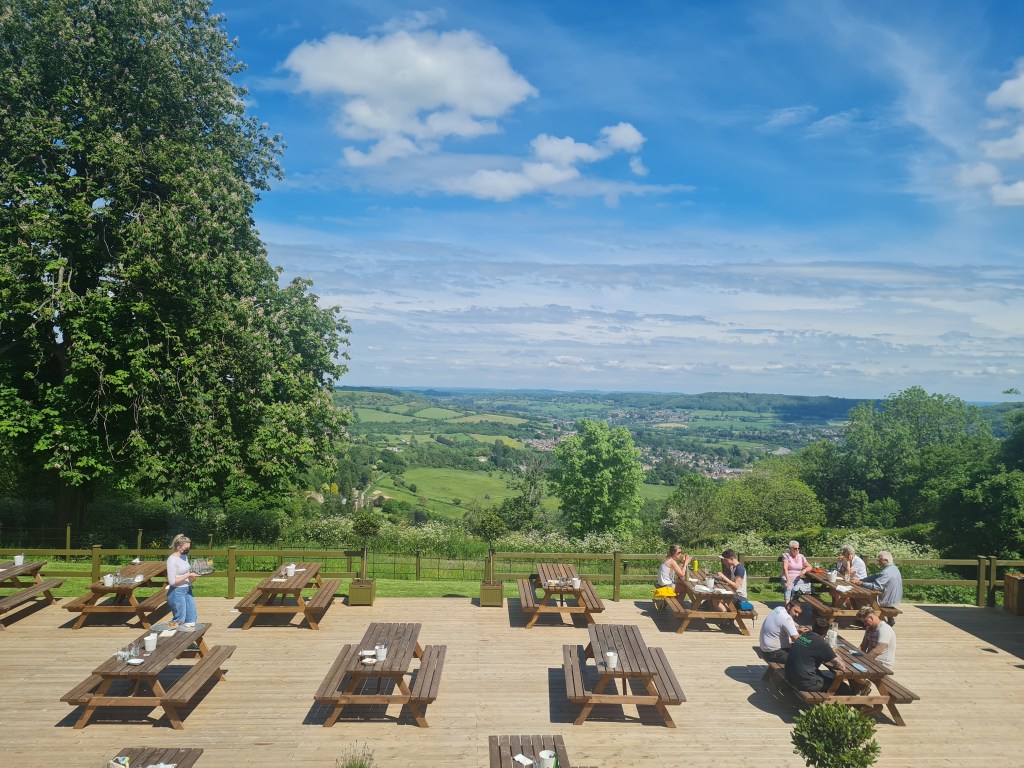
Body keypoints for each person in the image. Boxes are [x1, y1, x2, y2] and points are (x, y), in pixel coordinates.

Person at [784, 613, 850, 693]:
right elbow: (841, 667)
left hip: (789, 676)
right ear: (826, 633)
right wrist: (839, 658)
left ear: (813, 627)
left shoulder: (803, 636)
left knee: (823, 676)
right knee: (843, 687)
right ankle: (860, 704)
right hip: (803, 683)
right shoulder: (821, 643)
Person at [854, 551, 903, 624]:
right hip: (895, 599)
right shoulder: (893, 568)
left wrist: (862, 583)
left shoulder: (886, 572)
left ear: (886, 561)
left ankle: (863, 619)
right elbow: (876, 576)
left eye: (879, 560)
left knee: (858, 597)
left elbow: (877, 586)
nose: (878, 561)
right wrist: (861, 580)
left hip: (886, 601)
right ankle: (889, 617)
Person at [166, 533, 198, 630]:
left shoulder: (184, 557)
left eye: (189, 548)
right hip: (177, 592)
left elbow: (185, 571)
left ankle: (188, 641)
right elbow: (172, 581)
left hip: (187, 590)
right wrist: (188, 575)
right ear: (178, 547)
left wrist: (192, 576)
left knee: (191, 618)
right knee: (179, 619)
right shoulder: (172, 560)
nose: (187, 550)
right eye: (186, 548)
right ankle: (165, 637)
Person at [857, 606, 896, 671]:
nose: (864, 624)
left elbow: (877, 651)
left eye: (865, 621)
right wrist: (855, 654)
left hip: (882, 664)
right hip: (872, 660)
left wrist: (863, 661)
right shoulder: (869, 628)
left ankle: (865, 681)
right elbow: (863, 645)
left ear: (871, 618)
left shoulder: (884, 629)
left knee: (854, 674)